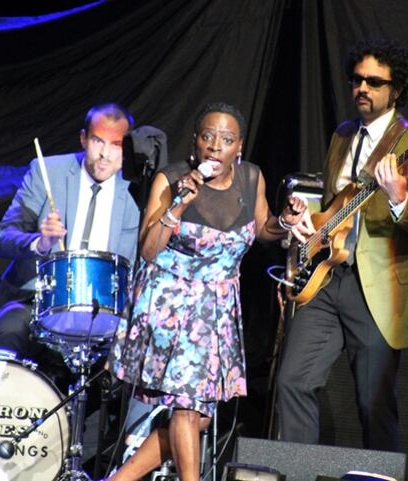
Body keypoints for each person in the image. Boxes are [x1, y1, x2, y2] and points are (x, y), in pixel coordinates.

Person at [106, 102, 310, 481]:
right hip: (171, 304)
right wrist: (180, 204)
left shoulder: (252, 179)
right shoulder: (170, 180)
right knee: (186, 409)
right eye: (208, 137)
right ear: (196, 142)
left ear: (240, 148)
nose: (216, 146)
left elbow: (263, 230)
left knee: (197, 419)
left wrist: (285, 221)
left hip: (215, 306)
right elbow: (149, 250)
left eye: (226, 139)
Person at [276, 39, 408, 451]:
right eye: (357, 80)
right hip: (326, 277)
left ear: (396, 89)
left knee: (374, 403)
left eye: (374, 81)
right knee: (291, 381)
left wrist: (400, 197)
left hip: (377, 286)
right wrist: (308, 222)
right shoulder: (343, 134)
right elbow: (337, 199)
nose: (362, 88)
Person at [0, 102, 140, 361]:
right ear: (83, 139)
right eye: (97, 141)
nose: (105, 154)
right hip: (35, 302)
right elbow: (3, 238)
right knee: (8, 329)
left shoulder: (136, 190)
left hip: (106, 312)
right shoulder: (46, 171)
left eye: (116, 145)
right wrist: (41, 243)